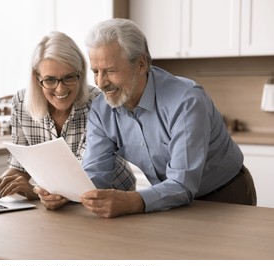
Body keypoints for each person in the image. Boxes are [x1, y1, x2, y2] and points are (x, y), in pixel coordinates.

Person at [80, 18, 257, 218]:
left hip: (225, 196)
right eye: (96, 71)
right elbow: (95, 174)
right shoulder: (101, 109)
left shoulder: (186, 101)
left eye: (111, 71)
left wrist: (130, 200)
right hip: (169, 200)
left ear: (140, 64)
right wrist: (69, 192)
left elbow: (182, 183)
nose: (101, 83)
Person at [0, 31, 135, 210]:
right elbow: (20, 167)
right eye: (50, 80)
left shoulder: (99, 104)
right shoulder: (21, 103)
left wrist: (33, 191)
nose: (60, 89)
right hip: (66, 205)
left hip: (113, 197)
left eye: (69, 77)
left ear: (80, 72)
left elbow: (82, 179)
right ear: (37, 79)